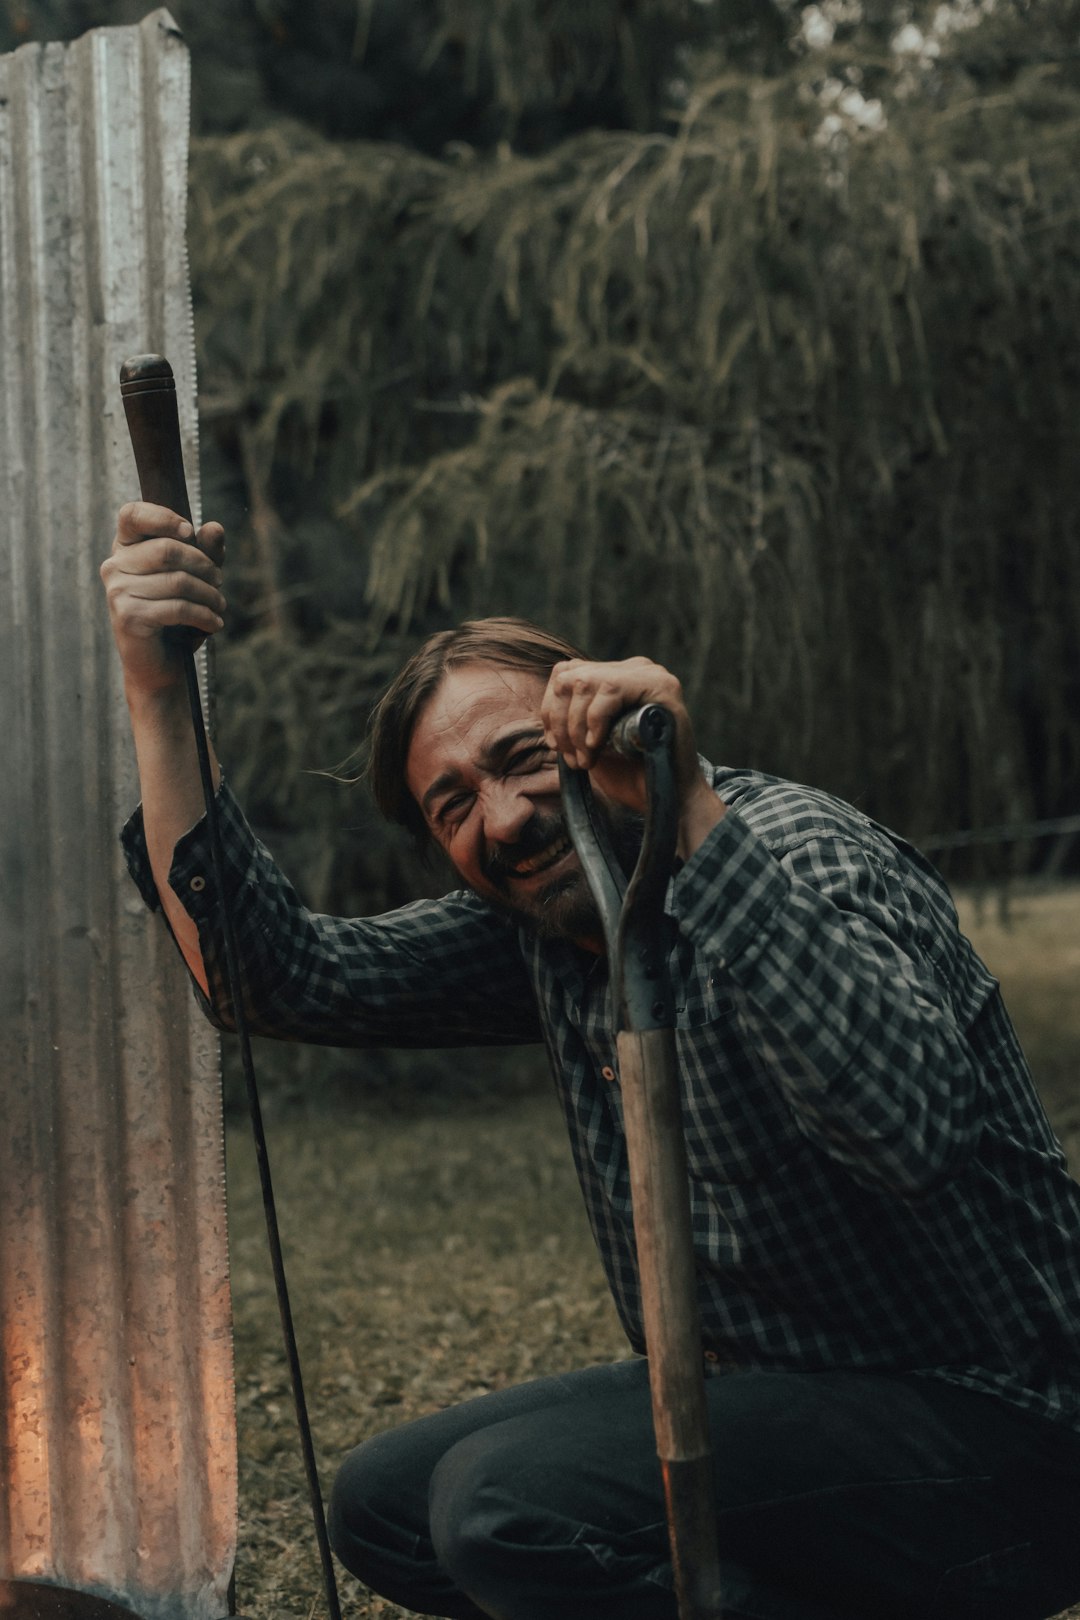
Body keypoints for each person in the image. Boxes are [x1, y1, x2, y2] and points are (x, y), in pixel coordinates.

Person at [101, 501, 1080, 1620]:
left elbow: (916, 1133)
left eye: (523, 760)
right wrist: (159, 695)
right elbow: (274, 977)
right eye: (452, 804)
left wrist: (688, 802)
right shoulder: (549, 935)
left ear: (600, 735)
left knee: (506, 1507)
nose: (506, 818)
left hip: (1012, 1425)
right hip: (769, 1404)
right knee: (386, 1504)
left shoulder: (795, 849)